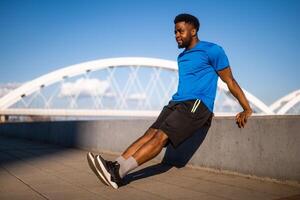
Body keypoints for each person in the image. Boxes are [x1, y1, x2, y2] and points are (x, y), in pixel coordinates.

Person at [87, 13, 253, 189]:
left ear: (194, 30)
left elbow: (230, 81)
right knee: (149, 134)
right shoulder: (181, 57)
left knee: (161, 137)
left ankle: (119, 174)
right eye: (175, 32)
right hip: (176, 102)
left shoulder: (213, 50)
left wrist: (246, 108)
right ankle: (115, 165)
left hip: (197, 104)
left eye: (180, 31)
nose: (176, 35)